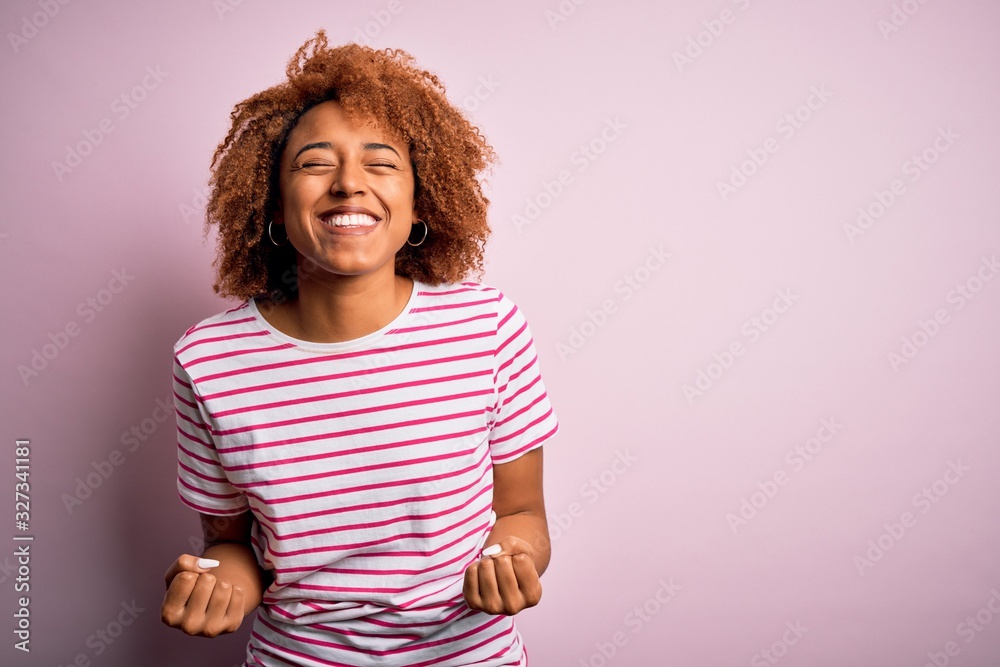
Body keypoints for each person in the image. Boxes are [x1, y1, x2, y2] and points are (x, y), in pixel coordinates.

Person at [159, 30, 560, 667]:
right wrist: (219, 585)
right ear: (273, 206)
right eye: (315, 163)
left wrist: (509, 558)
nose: (349, 183)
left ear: (417, 203)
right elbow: (229, 543)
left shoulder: (489, 327)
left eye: (381, 163)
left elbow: (520, 513)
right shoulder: (208, 361)